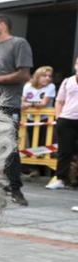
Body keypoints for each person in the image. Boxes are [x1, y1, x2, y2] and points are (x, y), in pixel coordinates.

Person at [0, 14, 32, 206]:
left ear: (2, 25)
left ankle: (15, 189)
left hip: (8, 103)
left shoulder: (19, 44)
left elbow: (24, 74)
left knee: (9, 147)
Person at [51, 57, 78, 191]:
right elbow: (59, 101)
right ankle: (61, 179)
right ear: (75, 65)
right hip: (66, 119)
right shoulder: (67, 81)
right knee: (64, 151)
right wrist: (58, 117)